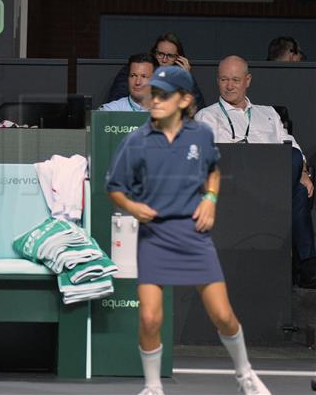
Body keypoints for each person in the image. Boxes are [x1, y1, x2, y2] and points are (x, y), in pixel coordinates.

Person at [107, 65, 270, 395]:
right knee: (151, 319)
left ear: (184, 100)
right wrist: (134, 207)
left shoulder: (201, 135)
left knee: (223, 316)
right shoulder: (135, 141)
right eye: (153, 93)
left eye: (163, 95)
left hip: (193, 235)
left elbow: (212, 171)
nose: (155, 99)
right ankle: (153, 387)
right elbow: (115, 187)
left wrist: (210, 199)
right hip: (154, 237)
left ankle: (245, 374)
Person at [195, 55, 315, 287]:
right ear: (217, 81)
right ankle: (307, 263)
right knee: (297, 193)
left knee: (294, 169)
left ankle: (307, 264)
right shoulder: (207, 116)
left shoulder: (268, 113)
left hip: (273, 182)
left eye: (236, 80)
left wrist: (303, 173)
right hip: (235, 186)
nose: (229, 86)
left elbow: (293, 147)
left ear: (247, 80)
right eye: (224, 79)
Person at [107, 33, 206, 111]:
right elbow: (115, 108)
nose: (164, 60)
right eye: (160, 54)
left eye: (170, 56)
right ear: (154, 53)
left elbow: (199, 112)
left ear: (178, 59)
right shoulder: (133, 70)